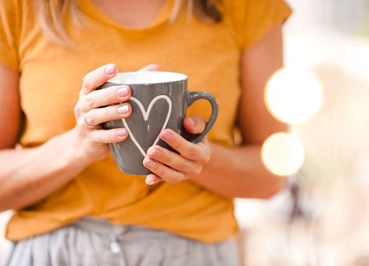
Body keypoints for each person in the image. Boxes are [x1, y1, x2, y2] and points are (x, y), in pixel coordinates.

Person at [0, 0, 291, 265]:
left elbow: (272, 176)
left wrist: (197, 158)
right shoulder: (16, 8)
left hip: (193, 253)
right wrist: (77, 146)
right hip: (53, 255)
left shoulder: (249, 7)